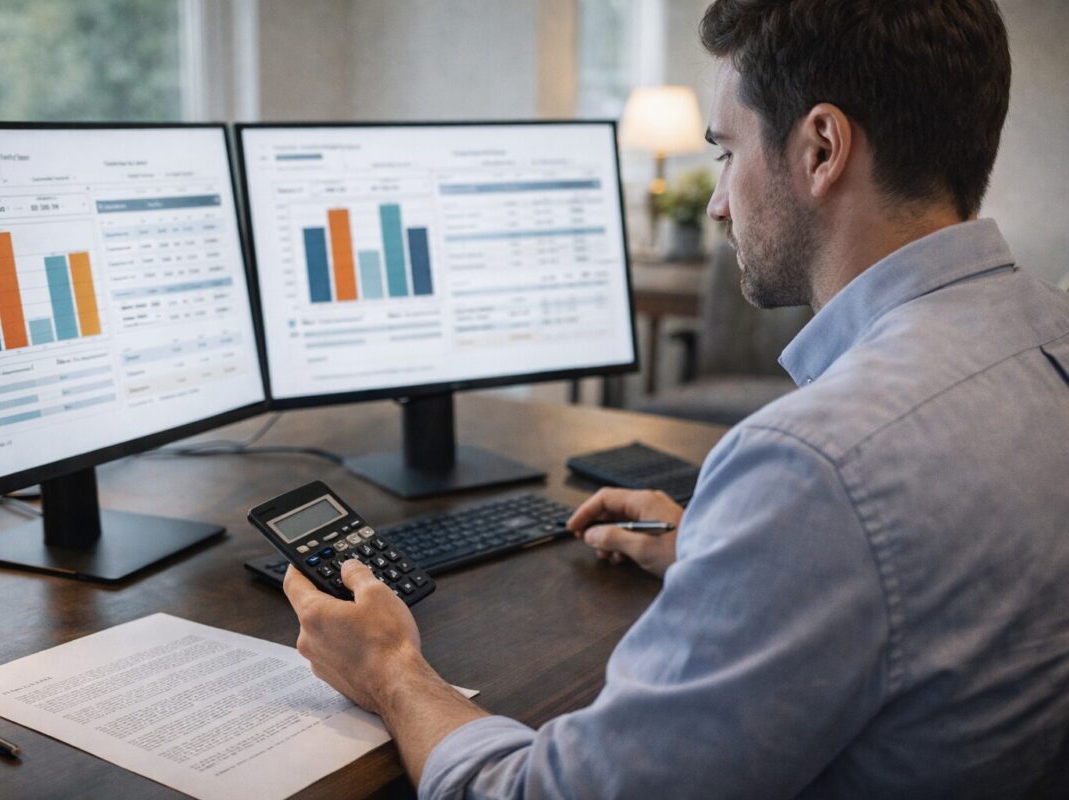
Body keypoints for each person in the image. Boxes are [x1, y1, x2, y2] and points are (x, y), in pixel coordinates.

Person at [283, 0, 1069, 796]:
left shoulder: (814, 468)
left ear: (822, 149)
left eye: (727, 152)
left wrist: (391, 669)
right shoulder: (1053, 343)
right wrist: (733, 556)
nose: (718, 201)